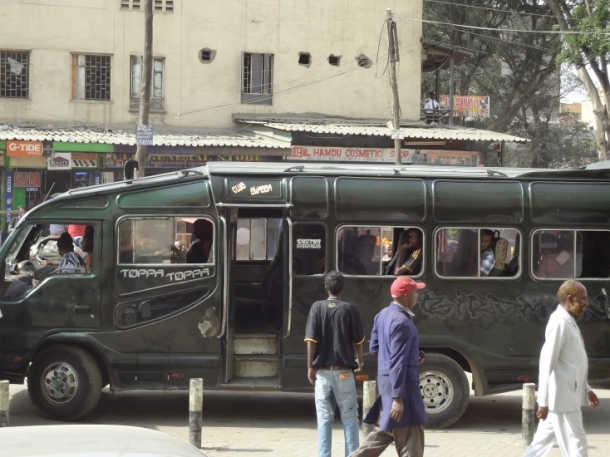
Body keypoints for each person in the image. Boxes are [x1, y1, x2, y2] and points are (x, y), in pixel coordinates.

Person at [351, 276, 427, 457]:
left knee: (386, 430)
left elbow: (375, 348)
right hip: (402, 389)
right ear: (407, 296)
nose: (417, 295)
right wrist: (398, 399)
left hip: (386, 383)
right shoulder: (402, 323)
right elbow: (397, 361)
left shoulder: (382, 315)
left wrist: (409, 358)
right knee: (411, 438)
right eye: (415, 292)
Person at [523, 280, 600, 457]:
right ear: (570, 298)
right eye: (583, 298)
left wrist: (587, 389)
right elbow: (546, 362)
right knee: (577, 444)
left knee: (539, 446)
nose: (586, 303)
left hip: (565, 396)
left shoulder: (568, 320)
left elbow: (574, 362)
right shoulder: (559, 323)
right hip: (563, 399)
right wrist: (543, 401)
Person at [304, 270, 365, 457]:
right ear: (343, 288)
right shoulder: (349, 309)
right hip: (344, 373)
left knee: (324, 419)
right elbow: (358, 341)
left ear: (325, 288)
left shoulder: (316, 308)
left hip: (322, 373)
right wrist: (359, 360)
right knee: (349, 419)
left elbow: (310, 341)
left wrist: (310, 366)